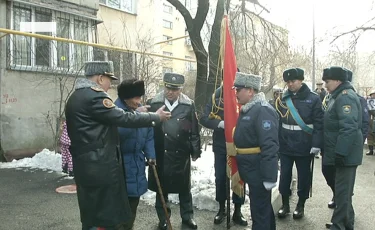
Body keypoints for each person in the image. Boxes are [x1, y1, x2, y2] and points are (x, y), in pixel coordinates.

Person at [65, 61, 171, 230]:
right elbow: (123, 118)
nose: (110, 84)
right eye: (109, 79)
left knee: (92, 212)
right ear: (100, 78)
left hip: (87, 165)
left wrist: (137, 113)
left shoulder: (76, 96)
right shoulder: (95, 96)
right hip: (100, 166)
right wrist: (155, 117)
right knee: (105, 217)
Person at [147, 73, 201, 230]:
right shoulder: (154, 103)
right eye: (168, 88)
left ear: (180, 90)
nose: (170, 92)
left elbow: (193, 129)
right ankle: (163, 217)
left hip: (180, 153)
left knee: (184, 188)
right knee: (161, 188)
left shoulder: (188, 105)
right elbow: (148, 131)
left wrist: (195, 150)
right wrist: (149, 152)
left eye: (174, 89)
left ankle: (188, 216)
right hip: (160, 152)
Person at [275, 68, 324, 219]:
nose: (290, 84)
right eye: (287, 82)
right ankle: (285, 204)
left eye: (293, 81)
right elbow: (276, 121)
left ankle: (300, 205)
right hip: (285, 143)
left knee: (304, 176)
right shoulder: (282, 98)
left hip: (305, 144)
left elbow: (319, 123)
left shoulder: (313, 98)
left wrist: (316, 144)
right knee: (284, 175)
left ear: (301, 80)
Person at [232, 72, 279, 230]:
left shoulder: (262, 110)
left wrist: (269, 176)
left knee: (259, 211)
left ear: (250, 91)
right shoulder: (250, 109)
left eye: (238, 90)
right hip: (251, 168)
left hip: (259, 169)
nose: (236, 93)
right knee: (261, 209)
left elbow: (269, 145)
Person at [199, 85, 247, 226]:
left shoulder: (244, 96)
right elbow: (203, 118)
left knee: (239, 176)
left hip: (240, 144)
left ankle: (238, 211)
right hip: (221, 144)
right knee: (220, 177)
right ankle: (222, 209)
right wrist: (220, 123)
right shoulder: (216, 97)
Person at [322, 66, 363, 230]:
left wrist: (341, 152)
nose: (325, 85)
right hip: (339, 151)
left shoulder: (345, 97)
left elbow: (349, 127)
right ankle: (347, 223)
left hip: (345, 154)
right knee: (342, 192)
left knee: (342, 192)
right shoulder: (336, 96)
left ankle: (339, 226)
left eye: (327, 81)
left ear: (338, 81)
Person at [114, 78, 156, 229]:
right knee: (119, 210)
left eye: (140, 97)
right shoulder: (114, 112)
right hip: (120, 167)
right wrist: (136, 117)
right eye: (136, 98)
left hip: (137, 165)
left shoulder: (139, 112)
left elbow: (149, 135)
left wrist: (151, 155)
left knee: (133, 204)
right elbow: (118, 134)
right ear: (126, 98)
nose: (139, 101)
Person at [366, 91, 375, 155]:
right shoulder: (368, 102)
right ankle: (370, 150)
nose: (373, 96)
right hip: (370, 122)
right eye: (372, 95)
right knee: (369, 136)